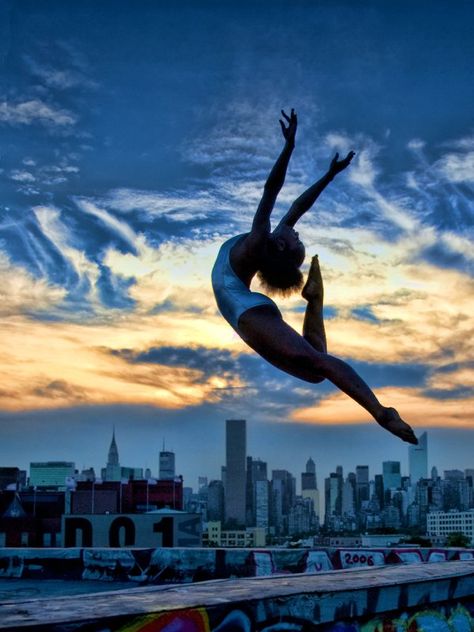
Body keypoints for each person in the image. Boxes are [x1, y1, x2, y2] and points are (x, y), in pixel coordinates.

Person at [212, 109, 418, 445]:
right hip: (245, 309)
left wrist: (328, 174)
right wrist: (292, 150)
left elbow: (292, 204)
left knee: (317, 364)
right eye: (297, 239)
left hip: (245, 308)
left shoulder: (262, 241)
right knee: (315, 370)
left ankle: (382, 412)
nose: (296, 233)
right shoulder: (258, 241)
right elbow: (275, 192)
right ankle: (315, 298)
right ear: (280, 245)